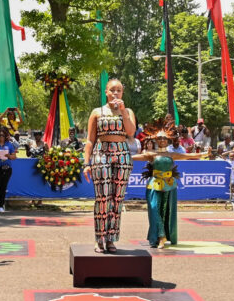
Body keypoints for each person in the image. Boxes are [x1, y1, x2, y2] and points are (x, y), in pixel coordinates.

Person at [132, 120, 210, 248]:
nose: (162, 140)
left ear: (167, 139)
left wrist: (204, 153)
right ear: (156, 140)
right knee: (154, 209)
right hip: (154, 184)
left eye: (164, 138)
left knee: (165, 210)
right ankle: (160, 236)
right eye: (159, 138)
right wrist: (118, 155)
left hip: (169, 185)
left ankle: (164, 236)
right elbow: (133, 157)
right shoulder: (151, 154)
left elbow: (187, 155)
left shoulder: (171, 154)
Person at [83, 79, 135, 253]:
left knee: (117, 199)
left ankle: (111, 239)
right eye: (112, 90)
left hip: (122, 154)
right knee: (103, 197)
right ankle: (100, 239)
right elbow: (90, 139)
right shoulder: (97, 112)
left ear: (122, 93)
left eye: (119, 90)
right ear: (106, 92)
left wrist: (123, 113)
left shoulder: (127, 112)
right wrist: (86, 162)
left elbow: (130, 133)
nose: (115, 93)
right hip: (101, 153)